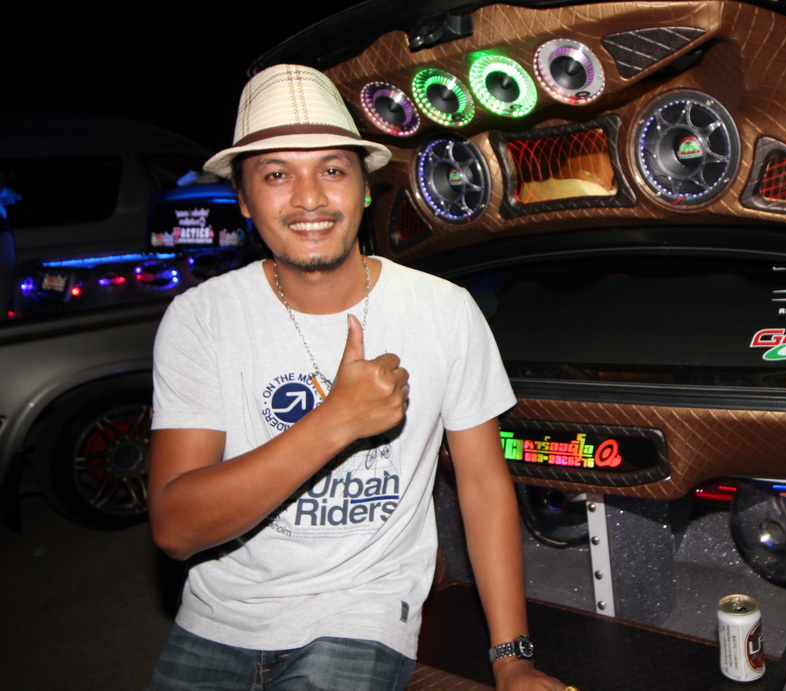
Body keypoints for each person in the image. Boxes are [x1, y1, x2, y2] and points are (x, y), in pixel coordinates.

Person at [146, 64, 568, 690]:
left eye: (333, 170)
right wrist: (337, 421)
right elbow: (177, 529)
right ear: (243, 198)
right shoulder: (201, 318)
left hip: (362, 612)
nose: (309, 199)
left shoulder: (443, 310)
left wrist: (512, 658)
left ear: (365, 189)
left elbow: (482, 485)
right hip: (220, 616)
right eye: (277, 174)